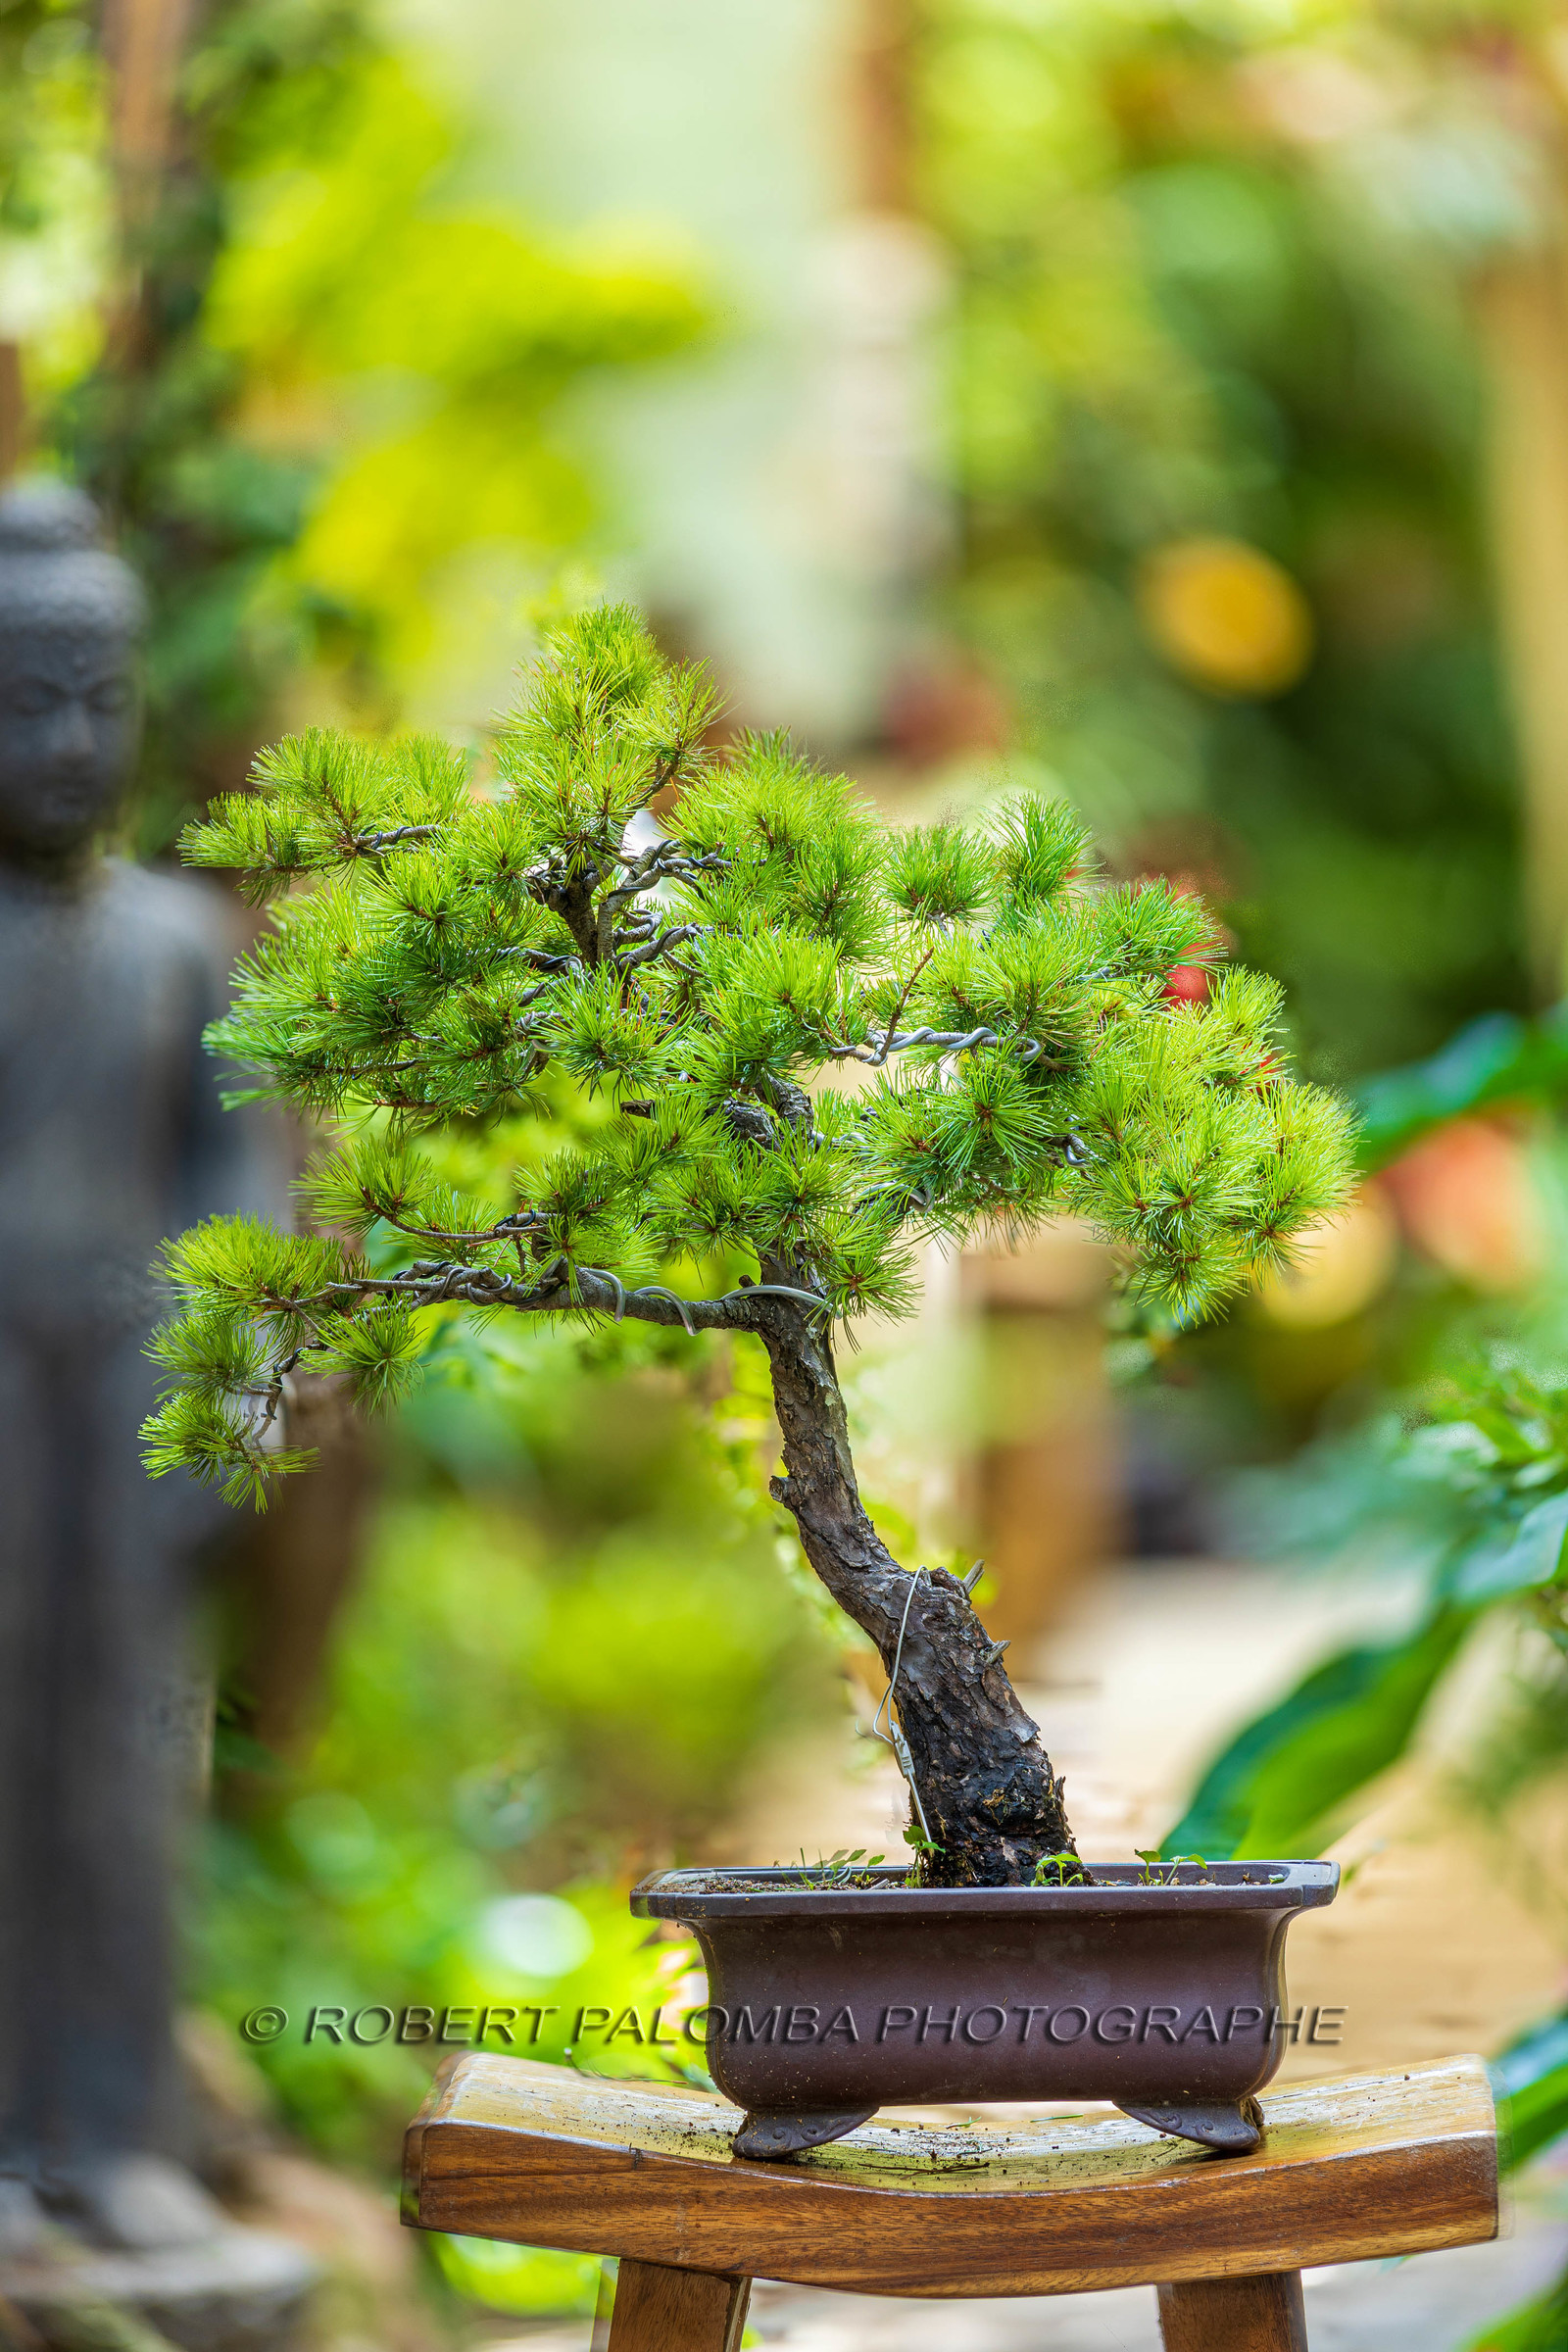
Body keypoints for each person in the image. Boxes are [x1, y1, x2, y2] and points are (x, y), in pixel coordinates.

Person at [0, 475, 278, 2253]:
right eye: (28, 703)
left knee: (121, 1762)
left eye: (104, 699)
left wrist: (235, 1360)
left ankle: (118, 2127)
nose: (74, 741)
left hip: (127, 1395)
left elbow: (243, 1177)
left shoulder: (183, 943)